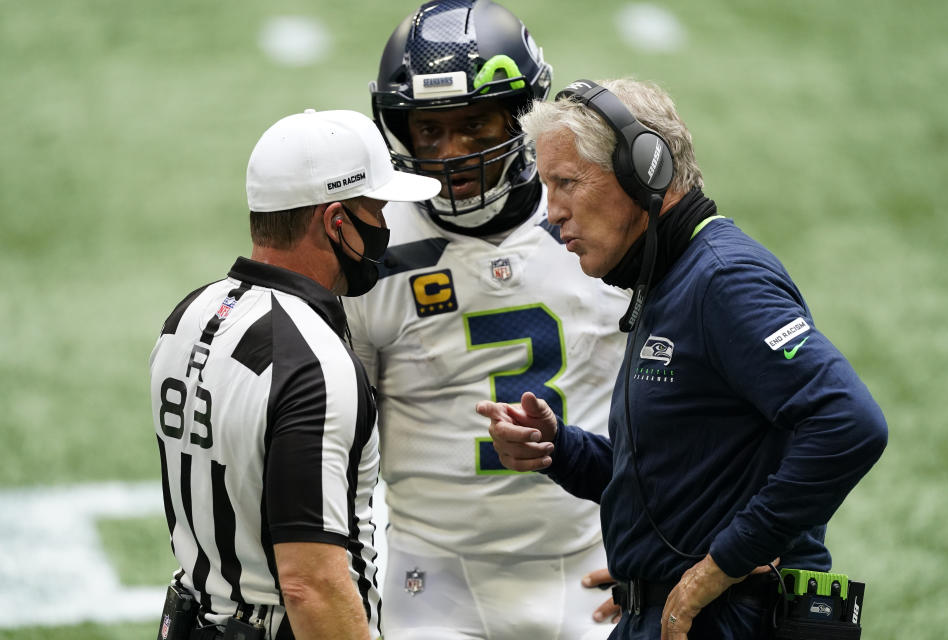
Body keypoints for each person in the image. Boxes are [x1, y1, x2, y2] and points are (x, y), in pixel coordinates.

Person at [477, 77, 888, 640]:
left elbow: (849, 423)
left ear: (646, 171)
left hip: (728, 617)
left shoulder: (723, 279)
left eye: (567, 183)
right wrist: (560, 449)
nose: (553, 214)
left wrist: (718, 567)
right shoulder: (669, 282)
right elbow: (676, 480)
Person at [340, 1, 629, 638]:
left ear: (523, 116)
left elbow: (676, 401)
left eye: (474, 125)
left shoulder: (597, 224)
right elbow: (342, 438)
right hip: (434, 574)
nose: (454, 154)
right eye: (429, 131)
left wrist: (658, 535)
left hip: (593, 559)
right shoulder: (375, 249)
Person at [150, 108, 439, 640]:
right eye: (375, 210)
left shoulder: (188, 317)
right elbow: (311, 584)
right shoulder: (314, 364)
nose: (384, 228)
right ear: (335, 222)